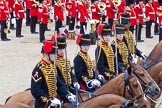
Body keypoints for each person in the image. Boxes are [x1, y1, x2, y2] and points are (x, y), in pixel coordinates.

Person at [31, 40, 76, 108]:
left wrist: (67, 95)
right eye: (53, 54)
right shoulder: (38, 70)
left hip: (55, 102)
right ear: (46, 54)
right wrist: (48, 100)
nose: (56, 56)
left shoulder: (54, 67)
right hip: (43, 105)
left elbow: (60, 85)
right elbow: (35, 90)